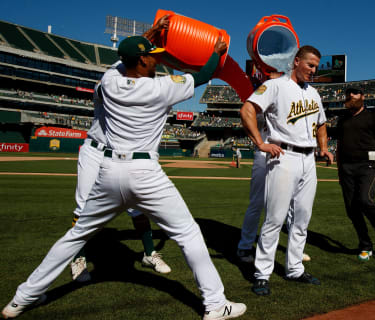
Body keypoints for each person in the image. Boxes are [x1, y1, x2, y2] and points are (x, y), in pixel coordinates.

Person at [2, 16, 246, 320]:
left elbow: (124, 59)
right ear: (142, 61)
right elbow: (204, 74)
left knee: (76, 236)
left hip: (108, 171)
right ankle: (214, 304)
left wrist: (150, 35)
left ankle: (22, 298)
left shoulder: (110, 81)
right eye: (151, 56)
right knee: (187, 233)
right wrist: (217, 52)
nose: (155, 60)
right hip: (145, 173)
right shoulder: (162, 88)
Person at [71, 18, 171, 280]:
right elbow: (129, 56)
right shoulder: (110, 80)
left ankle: (149, 253)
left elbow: (133, 52)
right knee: (83, 208)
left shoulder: (119, 74)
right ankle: (78, 257)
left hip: (120, 153)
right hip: (96, 150)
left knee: (137, 207)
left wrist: (153, 32)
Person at [240, 45, 333, 296]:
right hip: (283, 156)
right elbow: (247, 110)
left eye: (316, 67)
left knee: (302, 219)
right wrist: (260, 143)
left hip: (308, 159)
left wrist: (323, 148)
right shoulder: (275, 86)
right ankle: (261, 274)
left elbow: (322, 124)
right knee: (275, 219)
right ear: (296, 62)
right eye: (310, 65)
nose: (313, 70)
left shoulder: (314, 94)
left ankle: (294, 269)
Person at [336, 87, 375, 262]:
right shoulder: (342, 120)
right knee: (351, 209)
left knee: (365, 200)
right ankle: (365, 245)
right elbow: (339, 147)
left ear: (363, 97)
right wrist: (340, 170)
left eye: (355, 94)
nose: (351, 96)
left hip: (367, 166)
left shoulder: (372, 117)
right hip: (346, 168)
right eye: (349, 94)